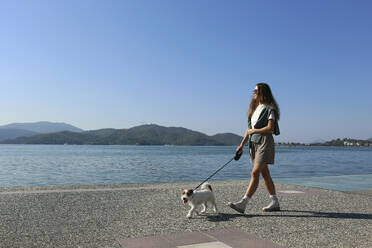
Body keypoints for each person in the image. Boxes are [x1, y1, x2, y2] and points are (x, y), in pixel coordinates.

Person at [228, 82, 280, 213]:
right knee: (265, 173)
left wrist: (254, 132)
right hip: (254, 143)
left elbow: (270, 128)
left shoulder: (270, 108)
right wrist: (241, 145)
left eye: (256, 91)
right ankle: (274, 202)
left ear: (263, 93)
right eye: (254, 91)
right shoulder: (254, 110)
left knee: (255, 172)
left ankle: (243, 203)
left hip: (264, 142)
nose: (254, 93)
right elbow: (248, 130)